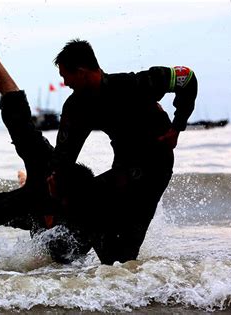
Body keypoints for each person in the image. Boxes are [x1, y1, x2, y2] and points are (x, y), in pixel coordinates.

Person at [49, 39, 198, 264]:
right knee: (69, 250)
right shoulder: (77, 107)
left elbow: (187, 77)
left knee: (120, 258)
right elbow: (64, 156)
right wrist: (54, 189)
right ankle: (79, 263)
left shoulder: (133, 84)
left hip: (155, 168)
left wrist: (177, 128)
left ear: (81, 72)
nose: (65, 82)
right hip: (123, 170)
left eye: (65, 76)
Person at [0, 36, 96, 263]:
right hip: (33, 195)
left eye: (54, 183)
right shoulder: (47, 165)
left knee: (62, 252)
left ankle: (32, 188)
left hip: (57, 212)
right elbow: (17, 117)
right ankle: (28, 184)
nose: (51, 181)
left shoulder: (86, 215)